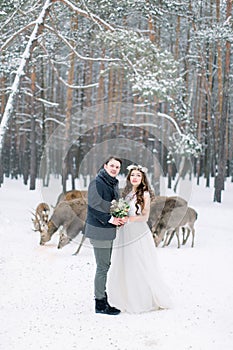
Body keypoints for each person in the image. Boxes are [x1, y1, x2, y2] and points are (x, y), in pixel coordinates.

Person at [107, 164, 172, 313]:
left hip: (137, 232)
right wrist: (119, 216)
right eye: (132, 175)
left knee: (138, 263)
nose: (135, 177)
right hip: (125, 233)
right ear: (129, 178)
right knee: (125, 262)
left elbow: (145, 217)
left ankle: (141, 298)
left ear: (142, 179)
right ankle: (123, 296)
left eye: (138, 175)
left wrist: (129, 219)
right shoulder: (127, 194)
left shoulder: (145, 194)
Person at [84, 156, 125, 315]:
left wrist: (119, 216)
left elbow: (112, 204)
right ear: (105, 166)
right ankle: (100, 303)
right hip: (98, 229)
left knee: (105, 265)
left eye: (117, 167)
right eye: (112, 166)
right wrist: (111, 219)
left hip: (108, 230)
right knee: (102, 266)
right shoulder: (97, 183)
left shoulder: (112, 183)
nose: (114, 169)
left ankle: (103, 298)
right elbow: (94, 207)